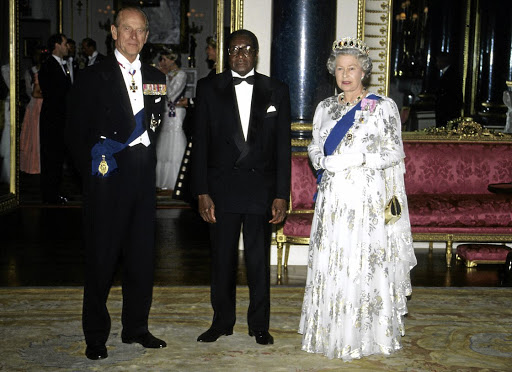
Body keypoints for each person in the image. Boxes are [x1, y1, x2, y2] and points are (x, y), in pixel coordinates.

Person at [298, 37, 417, 361]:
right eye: (340, 69)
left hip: (365, 198)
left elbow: (394, 151)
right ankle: (331, 332)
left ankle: (366, 335)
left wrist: (358, 158)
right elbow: (314, 143)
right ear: (332, 72)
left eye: (352, 68)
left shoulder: (381, 106)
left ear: (363, 71)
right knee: (334, 258)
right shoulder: (325, 107)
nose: (345, 74)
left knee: (361, 261)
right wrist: (320, 159)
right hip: (333, 196)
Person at [65, 6, 167, 360]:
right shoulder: (93, 76)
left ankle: (136, 327)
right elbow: (75, 133)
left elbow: (156, 128)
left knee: (141, 258)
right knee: (101, 260)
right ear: (113, 31)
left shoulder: (156, 75)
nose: (134, 37)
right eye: (127, 29)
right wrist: (94, 175)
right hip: (107, 179)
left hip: (142, 179)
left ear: (147, 36)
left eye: (140, 31)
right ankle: (95, 335)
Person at [191, 29, 291, 345]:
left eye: (247, 48)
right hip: (222, 190)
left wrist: (281, 193)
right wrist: (202, 191)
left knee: (258, 262)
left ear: (256, 53)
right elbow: (201, 145)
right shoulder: (209, 88)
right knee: (222, 261)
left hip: (261, 190)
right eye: (235, 49)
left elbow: (282, 149)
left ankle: (259, 324)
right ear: (227, 54)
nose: (241, 54)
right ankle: (222, 322)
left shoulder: (276, 90)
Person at [38, 33, 71, 204]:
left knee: (58, 158)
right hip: (52, 119)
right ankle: (49, 194)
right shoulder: (48, 65)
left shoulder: (62, 65)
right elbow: (54, 94)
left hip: (60, 118)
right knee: (51, 157)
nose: (68, 47)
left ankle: (56, 192)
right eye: (65, 43)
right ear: (57, 45)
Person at [155, 49, 187, 192]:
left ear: (172, 59)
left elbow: (172, 95)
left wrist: (165, 77)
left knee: (175, 143)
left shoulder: (181, 74)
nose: (162, 62)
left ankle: (175, 180)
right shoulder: (168, 74)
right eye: (161, 59)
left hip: (177, 113)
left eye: (164, 59)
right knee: (165, 145)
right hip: (167, 112)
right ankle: (163, 181)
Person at [20, 48, 46, 174]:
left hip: (41, 103)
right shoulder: (31, 72)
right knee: (35, 135)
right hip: (36, 105)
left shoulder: (45, 71)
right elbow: (31, 92)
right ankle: (35, 164)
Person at [435, 52, 462, 127]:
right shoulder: (448, 73)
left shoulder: (451, 74)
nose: (436, 64)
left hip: (448, 110)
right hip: (445, 110)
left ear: (443, 61)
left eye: (438, 61)